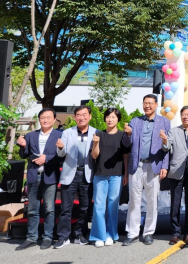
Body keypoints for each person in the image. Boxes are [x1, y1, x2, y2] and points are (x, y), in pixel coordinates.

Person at [122, 94, 170, 246]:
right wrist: (128, 134)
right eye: (145, 103)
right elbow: (126, 144)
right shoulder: (135, 121)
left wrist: (164, 166)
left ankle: (149, 232)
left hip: (154, 165)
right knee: (134, 200)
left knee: (152, 201)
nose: (147, 106)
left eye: (150, 103)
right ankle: (132, 232)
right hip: (137, 165)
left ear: (156, 105)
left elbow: (167, 148)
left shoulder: (165, 122)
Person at [15, 108, 63, 251]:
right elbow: (24, 155)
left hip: (50, 175)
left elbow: (62, 156)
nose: (46, 120)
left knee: (49, 209)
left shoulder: (59, 135)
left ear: (54, 119)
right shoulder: (31, 135)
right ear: (39, 119)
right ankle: (31, 237)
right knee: (32, 208)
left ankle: (47, 237)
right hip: (33, 175)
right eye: (43, 117)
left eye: (48, 117)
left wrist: (46, 159)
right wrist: (22, 146)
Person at [55, 105, 97, 248]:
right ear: (75, 117)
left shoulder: (95, 133)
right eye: (79, 115)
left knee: (85, 208)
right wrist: (60, 147)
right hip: (70, 174)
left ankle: (79, 234)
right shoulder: (67, 133)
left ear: (90, 116)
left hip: (87, 174)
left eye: (84, 114)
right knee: (66, 208)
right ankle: (63, 236)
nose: (82, 117)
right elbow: (61, 153)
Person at [89, 108, 129, 247]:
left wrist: (125, 174)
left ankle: (110, 235)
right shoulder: (99, 134)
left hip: (117, 175)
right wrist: (95, 143)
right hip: (100, 174)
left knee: (112, 206)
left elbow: (125, 156)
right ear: (105, 118)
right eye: (108, 117)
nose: (110, 119)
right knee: (99, 205)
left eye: (113, 117)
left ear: (118, 119)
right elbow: (94, 156)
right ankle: (98, 235)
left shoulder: (123, 135)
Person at [162, 105, 188, 246]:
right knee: (175, 203)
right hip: (176, 171)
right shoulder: (173, 131)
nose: (186, 116)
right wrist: (165, 140)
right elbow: (166, 148)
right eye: (184, 114)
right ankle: (175, 233)